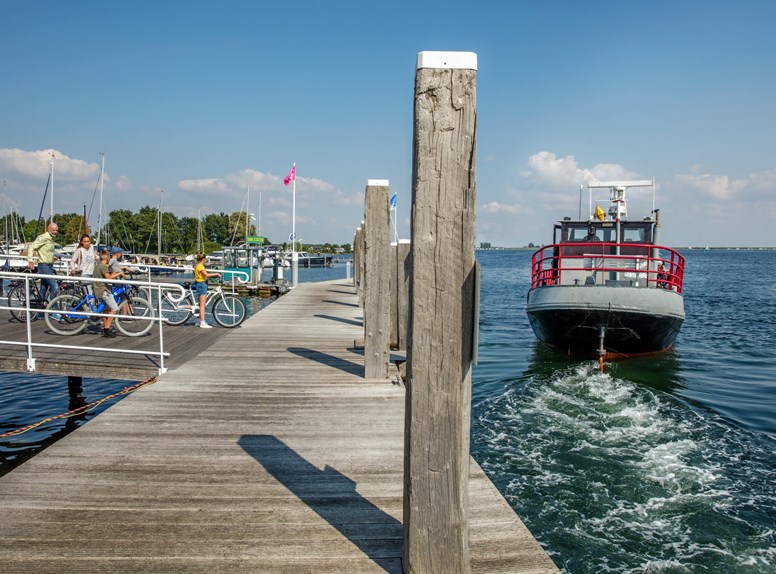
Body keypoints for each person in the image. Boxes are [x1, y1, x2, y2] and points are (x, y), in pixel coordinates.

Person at [93, 250, 125, 337]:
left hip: (97, 289)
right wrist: (119, 273)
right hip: (103, 290)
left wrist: (114, 273)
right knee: (115, 308)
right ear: (107, 258)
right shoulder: (103, 266)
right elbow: (108, 278)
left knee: (106, 309)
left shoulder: (97, 266)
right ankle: (107, 329)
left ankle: (105, 327)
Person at [27, 221, 60, 302]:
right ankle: (53, 308)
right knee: (54, 286)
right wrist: (30, 261)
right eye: (53, 230)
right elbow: (31, 247)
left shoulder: (50, 239)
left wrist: (52, 257)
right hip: (43, 266)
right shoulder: (44, 237)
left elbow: (46, 251)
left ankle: (40, 311)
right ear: (49, 229)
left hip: (49, 265)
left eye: (56, 230)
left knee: (43, 288)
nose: (55, 232)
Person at [193, 252, 220, 329]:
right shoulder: (200, 266)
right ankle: (202, 323)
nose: (206, 260)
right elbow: (207, 275)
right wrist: (216, 274)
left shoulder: (197, 266)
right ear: (203, 259)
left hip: (200, 284)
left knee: (201, 305)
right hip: (202, 285)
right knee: (202, 306)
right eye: (205, 259)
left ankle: (198, 320)